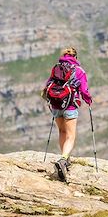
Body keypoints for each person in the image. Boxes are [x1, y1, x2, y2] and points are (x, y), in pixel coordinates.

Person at [43, 46, 92, 182]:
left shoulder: (56, 68)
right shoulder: (79, 71)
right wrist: (88, 100)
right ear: (75, 57)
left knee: (62, 131)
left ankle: (64, 157)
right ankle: (64, 159)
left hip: (56, 104)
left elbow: (48, 84)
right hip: (70, 105)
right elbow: (84, 90)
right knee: (71, 135)